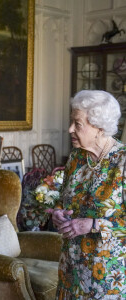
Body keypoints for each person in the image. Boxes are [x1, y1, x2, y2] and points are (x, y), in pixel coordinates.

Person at [49, 90, 125, 299]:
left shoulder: (122, 162)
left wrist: (93, 225)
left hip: (106, 276)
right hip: (70, 268)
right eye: (71, 121)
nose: (70, 129)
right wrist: (57, 212)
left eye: (78, 124)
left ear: (100, 128)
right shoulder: (76, 158)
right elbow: (63, 198)